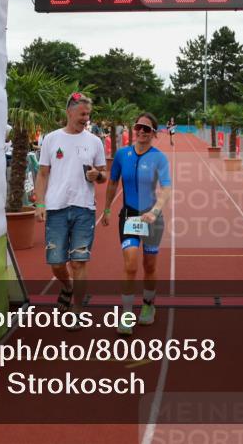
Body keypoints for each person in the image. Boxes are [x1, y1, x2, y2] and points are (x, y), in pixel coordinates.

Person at [33, 92, 107, 321]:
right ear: (69, 112)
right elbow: (42, 173)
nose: (86, 118)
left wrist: (98, 175)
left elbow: (104, 174)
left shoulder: (94, 141)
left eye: (88, 114)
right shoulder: (51, 139)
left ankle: (77, 310)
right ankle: (67, 286)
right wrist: (41, 203)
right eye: (82, 114)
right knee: (56, 262)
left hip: (84, 208)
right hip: (56, 208)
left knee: (78, 261)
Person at [101, 112, 172, 335]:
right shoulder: (122, 155)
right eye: (138, 127)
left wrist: (155, 211)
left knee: (149, 265)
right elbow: (112, 183)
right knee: (130, 264)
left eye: (147, 129)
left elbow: (166, 188)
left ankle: (149, 305)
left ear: (154, 133)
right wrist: (106, 208)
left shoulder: (159, 158)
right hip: (129, 216)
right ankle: (127, 313)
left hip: (152, 217)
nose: (141, 131)